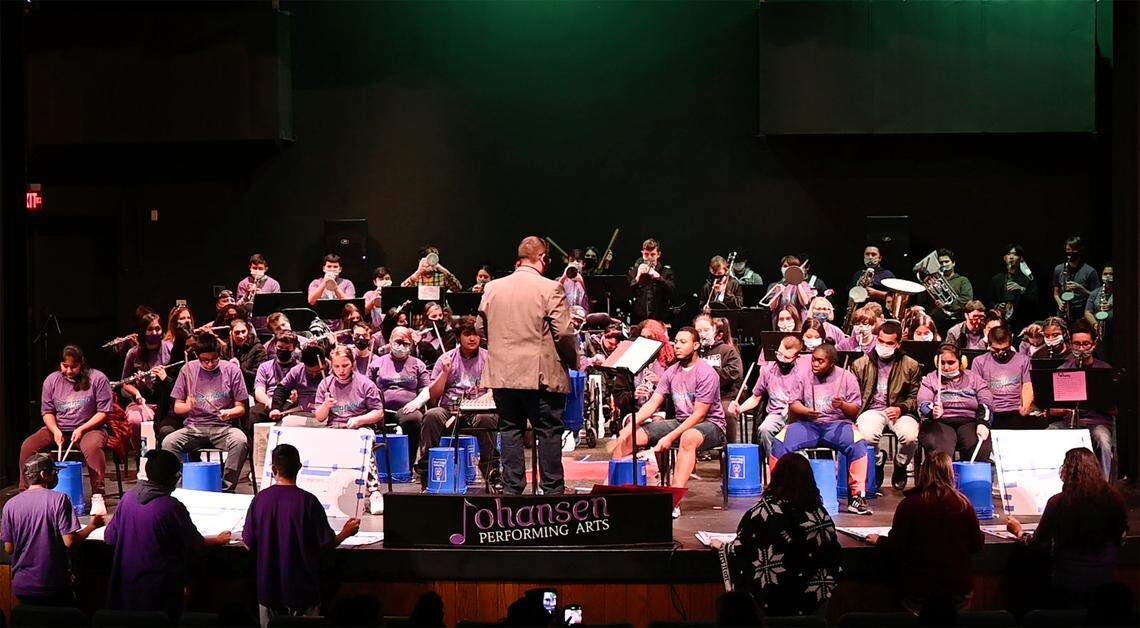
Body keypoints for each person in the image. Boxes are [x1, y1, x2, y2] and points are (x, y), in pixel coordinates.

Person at [480, 237, 578, 495]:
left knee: (510, 429)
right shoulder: (551, 288)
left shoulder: (492, 288)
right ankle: (553, 492)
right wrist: (574, 361)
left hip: (503, 375)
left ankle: (511, 491)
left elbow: (480, 328)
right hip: (541, 376)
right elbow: (564, 333)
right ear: (543, 257)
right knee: (548, 432)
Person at [612, 327, 727, 517]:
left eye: (683, 342)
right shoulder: (671, 372)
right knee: (630, 436)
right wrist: (630, 427)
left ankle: (673, 500)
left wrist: (669, 437)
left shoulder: (706, 373)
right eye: (676, 342)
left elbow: (699, 415)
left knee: (688, 437)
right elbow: (652, 404)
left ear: (695, 345)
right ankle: (612, 493)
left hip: (711, 425)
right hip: (681, 421)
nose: (677, 346)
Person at [243, 444, 360, 628]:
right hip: (303, 592)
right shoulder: (308, 502)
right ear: (299, 467)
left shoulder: (260, 500)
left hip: (269, 591)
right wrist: (345, 533)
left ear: (274, 469)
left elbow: (249, 543)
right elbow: (326, 545)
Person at [104, 449, 230, 619]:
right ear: (171, 479)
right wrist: (219, 540)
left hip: (126, 586)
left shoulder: (127, 499)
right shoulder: (170, 507)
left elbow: (109, 537)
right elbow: (195, 544)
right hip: (158, 593)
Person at [721, 454, 840, 617]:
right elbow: (834, 557)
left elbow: (741, 551)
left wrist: (724, 548)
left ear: (775, 477)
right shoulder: (820, 515)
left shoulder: (761, 513)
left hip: (769, 604)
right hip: (814, 606)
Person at [1006, 447, 1128, 603]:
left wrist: (1018, 531)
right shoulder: (1114, 500)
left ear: (1067, 472)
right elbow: (1120, 538)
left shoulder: (1058, 502)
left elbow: (1037, 543)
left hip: (1068, 586)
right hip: (1106, 585)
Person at [866, 452, 984, 612]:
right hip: (958, 592)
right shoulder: (963, 504)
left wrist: (879, 541)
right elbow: (977, 544)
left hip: (919, 592)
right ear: (950, 474)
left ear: (923, 472)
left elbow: (897, 546)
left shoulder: (909, 505)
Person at [774, 343, 872, 515]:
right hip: (809, 424)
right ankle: (777, 493)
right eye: (813, 360)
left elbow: (855, 410)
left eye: (821, 361)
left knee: (858, 443)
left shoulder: (847, 377)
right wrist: (806, 411)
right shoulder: (803, 375)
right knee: (780, 440)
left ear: (831, 363)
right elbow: (793, 403)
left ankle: (857, 497)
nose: (815, 364)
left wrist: (842, 405)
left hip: (837, 424)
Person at [19, 345, 113, 515]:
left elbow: (104, 412)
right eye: (65, 366)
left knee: (92, 447)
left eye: (73, 366)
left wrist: (82, 428)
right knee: (28, 446)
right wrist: (55, 430)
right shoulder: (51, 380)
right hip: (59, 428)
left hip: (90, 428)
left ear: (81, 364)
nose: (69, 371)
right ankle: (26, 494)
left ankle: (98, 495)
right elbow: (47, 412)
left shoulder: (98, 378)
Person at [1, 454, 104, 606]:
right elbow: (69, 541)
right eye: (53, 472)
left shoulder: (10, 505)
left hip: (22, 586)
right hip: (53, 584)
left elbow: (9, 548)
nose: (56, 476)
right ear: (44, 474)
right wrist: (92, 526)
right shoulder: (60, 499)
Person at [417, 316, 500, 488]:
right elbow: (434, 394)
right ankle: (426, 471)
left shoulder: (489, 358)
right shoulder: (446, 358)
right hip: (450, 411)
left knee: (487, 419)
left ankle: (491, 470)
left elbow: (495, 390)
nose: (472, 338)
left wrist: (486, 397)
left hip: (478, 411)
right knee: (432, 415)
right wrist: (444, 373)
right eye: (467, 334)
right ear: (458, 337)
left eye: (475, 334)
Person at [163, 332, 250, 492]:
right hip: (194, 428)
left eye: (214, 359)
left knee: (240, 441)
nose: (209, 364)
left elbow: (241, 408)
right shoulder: (188, 369)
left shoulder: (232, 370)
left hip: (223, 428)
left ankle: (225, 488)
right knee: (169, 442)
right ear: (197, 356)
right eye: (204, 360)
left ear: (219, 355)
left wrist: (229, 413)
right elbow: (177, 407)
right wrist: (188, 407)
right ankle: (183, 486)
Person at [852, 321, 922, 491]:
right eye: (881, 341)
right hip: (872, 410)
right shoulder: (860, 364)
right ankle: (878, 461)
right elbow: (854, 396)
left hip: (901, 411)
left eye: (889, 343)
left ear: (898, 344)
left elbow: (916, 397)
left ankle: (900, 464)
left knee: (910, 437)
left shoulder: (911, 365)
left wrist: (901, 408)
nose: (883, 346)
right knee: (866, 435)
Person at [1046, 322, 1115, 479]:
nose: (1081, 349)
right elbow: (1052, 410)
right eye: (1077, 344)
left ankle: (1103, 486)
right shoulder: (1063, 370)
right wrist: (1065, 409)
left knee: (1103, 439)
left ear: (1094, 345)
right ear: (1071, 345)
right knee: (1048, 433)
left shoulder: (1104, 370)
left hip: (1095, 423)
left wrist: (1097, 401)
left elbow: (1115, 410)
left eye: (1086, 344)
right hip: (1068, 422)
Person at [917, 344, 994, 462]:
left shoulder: (974, 378)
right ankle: (942, 475)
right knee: (941, 452)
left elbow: (986, 402)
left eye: (951, 363)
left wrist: (983, 423)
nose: (946, 367)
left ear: (961, 362)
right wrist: (932, 412)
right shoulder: (931, 379)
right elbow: (923, 403)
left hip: (969, 422)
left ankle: (971, 474)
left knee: (980, 448)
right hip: (940, 422)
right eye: (942, 363)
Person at [731, 335, 804, 453]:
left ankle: (797, 459)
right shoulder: (768, 370)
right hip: (776, 414)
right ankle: (774, 460)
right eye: (779, 354)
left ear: (796, 357)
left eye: (787, 357)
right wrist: (739, 409)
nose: (781, 359)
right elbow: (755, 397)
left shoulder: (803, 373)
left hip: (797, 416)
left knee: (793, 435)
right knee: (764, 429)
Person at [373, 326, 431, 467]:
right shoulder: (377, 363)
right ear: (390, 341)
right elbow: (367, 388)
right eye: (398, 342)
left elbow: (426, 390)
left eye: (405, 343)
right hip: (381, 409)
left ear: (411, 345)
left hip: (407, 409)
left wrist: (416, 403)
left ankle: (407, 465)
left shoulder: (418, 364)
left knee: (414, 419)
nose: (401, 346)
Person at [970, 326, 1036, 429]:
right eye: (996, 349)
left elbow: (1027, 385)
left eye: (1004, 349)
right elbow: (976, 390)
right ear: (989, 344)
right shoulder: (979, 362)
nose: (1000, 353)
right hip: (991, 411)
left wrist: (1026, 406)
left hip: (1016, 410)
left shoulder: (1023, 360)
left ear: (1010, 344)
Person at [695, 315, 743, 442]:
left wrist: (710, 376)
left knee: (727, 412)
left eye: (706, 330)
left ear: (714, 330)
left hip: (724, 395)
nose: (702, 334)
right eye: (699, 331)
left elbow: (735, 372)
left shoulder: (727, 350)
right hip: (699, 396)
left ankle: (730, 447)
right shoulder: (694, 352)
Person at [314, 345, 384, 429]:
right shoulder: (325, 384)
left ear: (353, 364)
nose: (341, 370)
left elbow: (379, 413)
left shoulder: (365, 384)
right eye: (336, 366)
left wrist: (359, 420)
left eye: (345, 365)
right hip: (334, 428)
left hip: (360, 428)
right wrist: (326, 405)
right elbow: (320, 418)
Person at [120, 312, 172, 410]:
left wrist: (165, 378)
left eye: (158, 329)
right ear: (143, 331)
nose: (154, 333)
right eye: (150, 329)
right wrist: (137, 392)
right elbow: (125, 382)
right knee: (135, 417)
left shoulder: (170, 349)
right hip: (143, 400)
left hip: (167, 399)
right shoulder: (133, 353)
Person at [251, 331, 301, 424]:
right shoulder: (264, 367)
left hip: (290, 405)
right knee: (253, 414)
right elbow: (259, 391)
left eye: (287, 348)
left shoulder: (299, 368)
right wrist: (270, 402)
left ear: (294, 348)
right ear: (275, 346)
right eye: (280, 347)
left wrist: (296, 399)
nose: (283, 351)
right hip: (268, 403)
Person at [921, 248, 973, 331]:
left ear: (953, 263)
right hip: (935, 322)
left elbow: (967, 299)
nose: (944, 264)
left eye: (946, 261)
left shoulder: (962, 280)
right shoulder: (933, 281)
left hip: (956, 321)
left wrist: (947, 304)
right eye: (941, 263)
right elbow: (924, 302)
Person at [989, 244, 1037, 333]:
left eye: (1015, 254)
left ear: (1021, 258)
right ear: (1004, 258)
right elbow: (990, 300)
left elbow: (1034, 302)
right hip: (1001, 322)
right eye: (1008, 254)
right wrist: (997, 306)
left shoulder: (1028, 279)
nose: (1011, 257)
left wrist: (1021, 290)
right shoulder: (996, 279)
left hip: (1022, 323)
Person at [1052, 236, 1100, 324]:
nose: (1070, 252)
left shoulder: (1090, 271)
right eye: (1068, 250)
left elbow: (1097, 299)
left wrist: (1081, 289)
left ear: (1080, 250)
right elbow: (1056, 293)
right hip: (1062, 316)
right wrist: (1060, 303)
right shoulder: (1058, 269)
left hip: (1082, 317)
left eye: (1073, 249)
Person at [271, 345, 328, 417]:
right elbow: (281, 389)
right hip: (303, 413)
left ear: (324, 362)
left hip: (328, 414)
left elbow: (340, 406)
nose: (314, 374)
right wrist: (276, 408)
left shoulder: (336, 370)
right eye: (310, 372)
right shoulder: (297, 371)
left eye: (318, 371)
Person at [627, 238, 675, 323]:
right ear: (642, 253)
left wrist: (658, 277)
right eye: (646, 254)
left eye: (652, 254)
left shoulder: (666, 271)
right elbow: (626, 293)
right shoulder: (634, 271)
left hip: (660, 319)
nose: (649, 258)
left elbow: (672, 292)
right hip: (639, 319)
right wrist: (637, 277)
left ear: (658, 254)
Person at [227, 317, 266, 395]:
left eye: (243, 332)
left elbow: (258, 376)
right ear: (231, 333)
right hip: (230, 389)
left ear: (248, 331)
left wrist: (238, 368)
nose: (241, 336)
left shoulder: (258, 349)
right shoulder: (226, 349)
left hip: (249, 390)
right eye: (237, 332)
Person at [1084, 262, 1114, 354]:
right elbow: (1087, 312)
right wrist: (1095, 325)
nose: (1108, 276)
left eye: (1111, 274)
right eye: (1105, 274)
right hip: (1099, 331)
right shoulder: (1095, 292)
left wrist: (1112, 306)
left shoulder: (1124, 291)